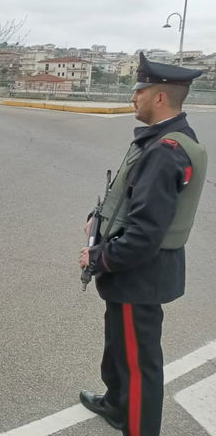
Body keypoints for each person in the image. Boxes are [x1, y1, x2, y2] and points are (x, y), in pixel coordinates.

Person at [78, 52, 207, 436]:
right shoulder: (161, 140)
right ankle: (117, 404)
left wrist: (98, 257)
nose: (133, 97)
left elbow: (145, 234)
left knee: (138, 363)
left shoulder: (166, 151)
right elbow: (130, 196)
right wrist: (96, 219)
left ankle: (137, 426)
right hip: (133, 276)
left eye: (139, 90)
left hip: (139, 276)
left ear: (160, 97)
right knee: (120, 347)